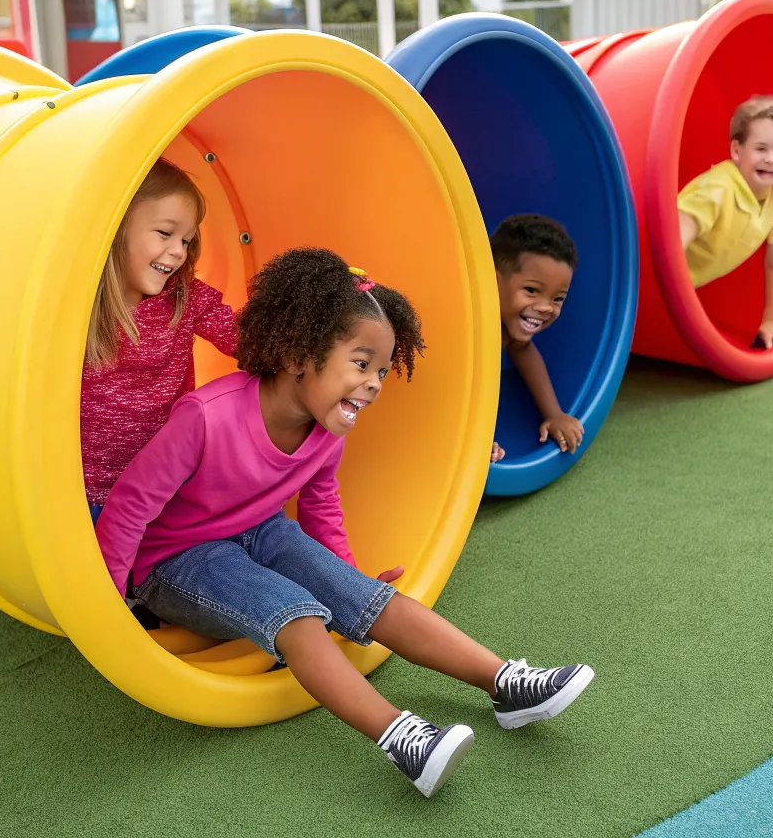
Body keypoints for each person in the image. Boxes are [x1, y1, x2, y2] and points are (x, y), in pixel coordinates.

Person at [95, 248, 594, 798]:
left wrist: (347, 582)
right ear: (298, 356)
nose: (375, 383)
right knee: (298, 617)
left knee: (372, 600)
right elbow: (131, 504)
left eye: (382, 370)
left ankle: (506, 684)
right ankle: (403, 738)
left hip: (261, 531)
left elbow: (321, 504)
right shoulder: (206, 417)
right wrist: (110, 601)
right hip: (177, 558)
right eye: (361, 364)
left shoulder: (327, 429)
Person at [81, 158, 237, 524]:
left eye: (186, 239)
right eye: (165, 234)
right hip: (81, 490)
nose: (178, 251)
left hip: (159, 489)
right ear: (116, 228)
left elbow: (247, 339)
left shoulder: (185, 298)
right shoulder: (81, 306)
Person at [677, 96, 773, 349]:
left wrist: (770, 321)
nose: (771, 159)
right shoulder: (715, 190)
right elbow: (668, 247)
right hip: (642, 279)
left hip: (685, 283)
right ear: (737, 151)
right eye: (761, 149)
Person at [489, 214, 583, 463]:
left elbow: (523, 350)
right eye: (531, 290)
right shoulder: (469, 323)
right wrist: (472, 435)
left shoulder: (508, 332)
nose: (546, 308)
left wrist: (554, 414)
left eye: (557, 299)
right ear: (493, 282)